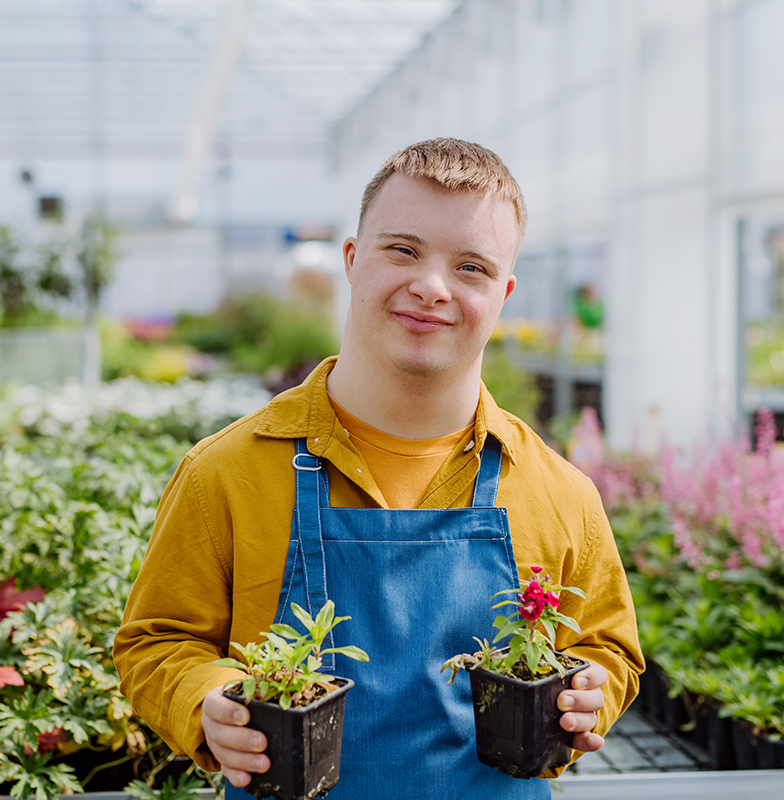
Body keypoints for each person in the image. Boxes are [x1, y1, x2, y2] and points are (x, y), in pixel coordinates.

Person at [114, 138, 644, 800]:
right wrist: (207, 700)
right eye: (403, 250)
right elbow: (156, 642)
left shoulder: (559, 493)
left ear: (504, 295)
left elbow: (609, 649)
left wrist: (588, 695)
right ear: (353, 260)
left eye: (472, 267)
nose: (431, 286)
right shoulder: (226, 472)